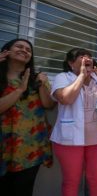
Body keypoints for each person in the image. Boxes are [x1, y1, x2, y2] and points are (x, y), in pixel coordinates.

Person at [50, 47, 97, 196]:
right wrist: (82, 76)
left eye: (89, 56)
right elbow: (65, 98)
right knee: (71, 180)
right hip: (69, 140)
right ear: (71, 63)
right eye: (81, 56)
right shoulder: (63, 78)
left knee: (95, 179)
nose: (87, 58)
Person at [0, 39, 55, 195]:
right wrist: (20, 90)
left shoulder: (36, 79)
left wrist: (42, 84)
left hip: (31, 146)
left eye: (28, 49)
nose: (24, 50)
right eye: (19, 46)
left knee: (23, 190)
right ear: (6, 51)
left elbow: (48, 105)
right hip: (4, 145)